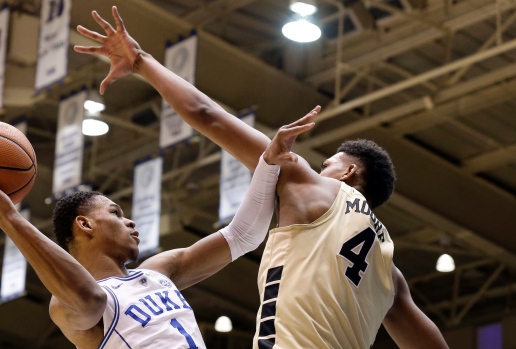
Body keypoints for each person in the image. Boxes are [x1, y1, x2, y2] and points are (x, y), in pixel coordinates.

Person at [73, 6, 450, 349]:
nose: (319, 170)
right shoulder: (389, 272)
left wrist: (141, 60)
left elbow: (206, 113)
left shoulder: (314, 188)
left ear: (349, 172)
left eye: (328, 164)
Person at [0, 113, 317, 348]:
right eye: (116, 212)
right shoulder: (66, 306)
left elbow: (243, 236)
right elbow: (90, 299)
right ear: (85, 224)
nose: (130, 222)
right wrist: (7, 216)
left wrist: (267, 164)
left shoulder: (160, 272)